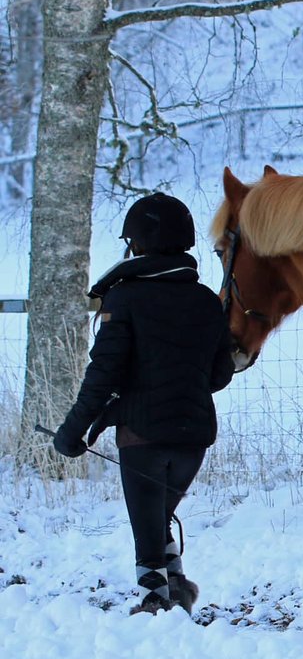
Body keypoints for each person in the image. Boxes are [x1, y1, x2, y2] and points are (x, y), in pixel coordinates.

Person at [53, 192, 236, 615]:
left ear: (139, 243)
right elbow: (220, 375)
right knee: (159, 515)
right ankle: (177, 586)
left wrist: (72, 430)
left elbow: (103, 375)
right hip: (195, 436)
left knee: (147, 523)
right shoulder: (207, 300)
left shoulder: (124, 299)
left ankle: (155, 599)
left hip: (141, 435)